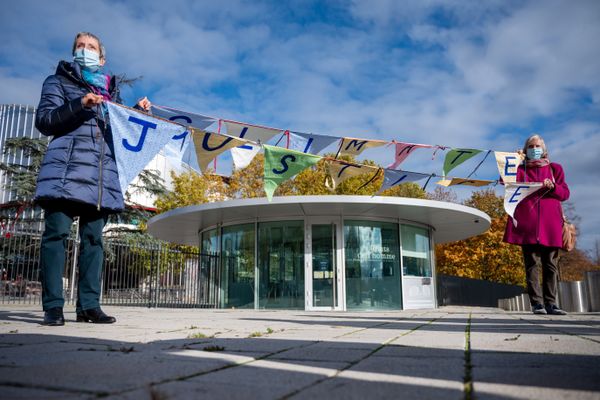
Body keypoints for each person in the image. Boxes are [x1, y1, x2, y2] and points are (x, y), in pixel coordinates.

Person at [35, 32, 151, 326]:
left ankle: (89, 306)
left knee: (93, 241)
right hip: (66, 170)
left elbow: (119, 132)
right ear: (74, 53)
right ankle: (53, 307)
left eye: (91, 47)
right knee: (56, 235)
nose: (84, 50)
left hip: (101, 176)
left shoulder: (112, 95)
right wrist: (80, 105)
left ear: (102, 59)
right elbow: (45, 121)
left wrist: (135, 113)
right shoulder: (57, 82)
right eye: (80, 47)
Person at [504, 134, 570, 315]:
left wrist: (553, 187)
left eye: (537, 146)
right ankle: (537, 304)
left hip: (551, 224)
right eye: (531, 146)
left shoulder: (555, 168)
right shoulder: (520, 168)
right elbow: (505, 181)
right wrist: (513, 160)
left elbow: (565, 193)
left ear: (544, 149)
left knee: (551, 265)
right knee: (531, 264)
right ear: (526, 150)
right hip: (527, 222)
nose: (534, 149)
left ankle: (551, 303)